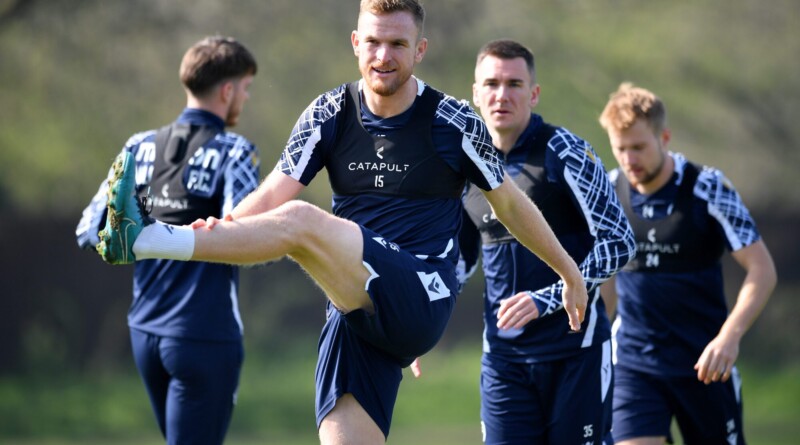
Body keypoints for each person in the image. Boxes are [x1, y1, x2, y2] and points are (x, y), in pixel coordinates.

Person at [92, 1, 590, 444]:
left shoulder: (454, 121)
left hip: (423, 291)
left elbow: (510, 206)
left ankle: (146, 238)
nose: (383, 56)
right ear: (355, 43)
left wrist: (569, 272)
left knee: (301, 223)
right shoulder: (329, 112)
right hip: (355, 311)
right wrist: (220, 230)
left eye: (398, 44)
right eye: (373, 42)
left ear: (419, 50)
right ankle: (151, 238)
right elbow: (271, 193)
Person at [76, 36, 259, 445]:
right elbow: (246, 239)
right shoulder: (235, 151)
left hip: (144, 332)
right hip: (203, 334)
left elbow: (88, 228)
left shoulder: (137, 146)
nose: (245, 99)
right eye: (246, 88)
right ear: (227, 90)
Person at [454, 39, 635, 444]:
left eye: (514, 84)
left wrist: (549, 298)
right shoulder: (464, 167)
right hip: (503, 360)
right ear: (476, 93)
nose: (502, 95)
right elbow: (459, 260)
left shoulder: (565, 151)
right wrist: (418, 324)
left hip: (576, 353)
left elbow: (620, 242)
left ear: (533, 94)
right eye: (492, 84)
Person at [598, 82, 777, 445]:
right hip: (633, 364)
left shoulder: (707, 188)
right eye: (620, 149)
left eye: (638, 147)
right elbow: (607, 278)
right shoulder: (610, 191)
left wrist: (729, 338)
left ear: (664, 137)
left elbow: (762, 269)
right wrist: (592, 341)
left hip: (705, 364)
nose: (629, 159)